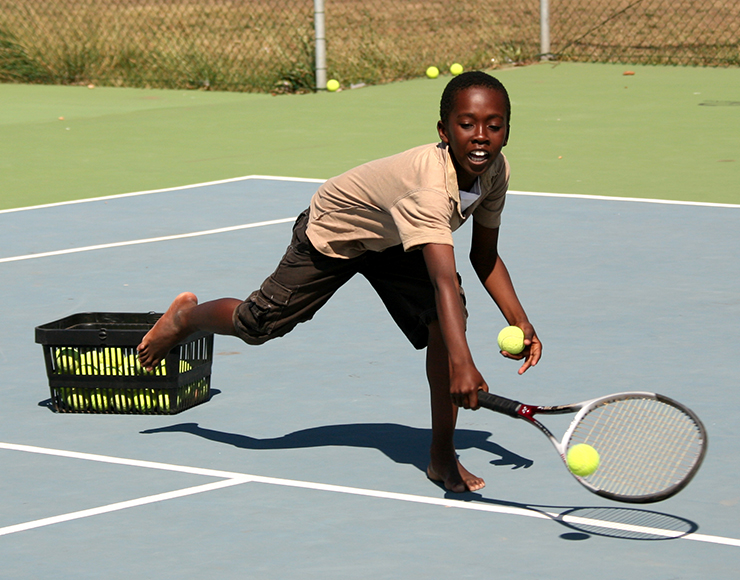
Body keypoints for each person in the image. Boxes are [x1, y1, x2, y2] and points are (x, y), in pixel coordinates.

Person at [137, 71, 542, 493]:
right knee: (258, 324)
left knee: (445, 321)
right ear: (443, 131)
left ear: (507, 133)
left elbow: (484, 256)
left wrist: (521, 321)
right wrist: (463, 365)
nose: (481, 136)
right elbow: (441, 280)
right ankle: (186, 317)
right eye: (466, 124)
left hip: (392, 239)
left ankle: (441, 456)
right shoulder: (430, 190)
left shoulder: (495, 172)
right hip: (337, 231)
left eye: (494, 126)